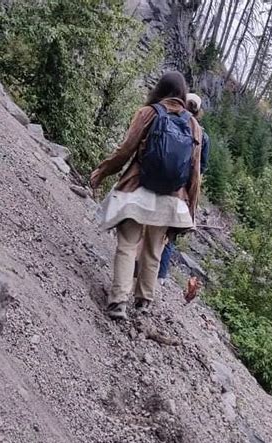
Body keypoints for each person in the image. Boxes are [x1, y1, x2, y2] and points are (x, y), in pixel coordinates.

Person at [90, 71, 202, 320]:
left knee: (128, 246)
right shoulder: (194, 125)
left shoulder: (149, 112)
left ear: (160, 88)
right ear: (183, 94)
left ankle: (118, 301)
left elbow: (125, 151)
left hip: (137, 192)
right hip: (171, 199)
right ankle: (143, 301)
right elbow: (195, 174)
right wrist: (190, 211)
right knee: (153, 251)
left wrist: (103, 171)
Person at [157, 92, 210, 285]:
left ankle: (140, 266)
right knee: (171, 231)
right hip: (183, 190)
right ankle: (161, 275)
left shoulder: (167, 119)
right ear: (198, 111)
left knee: (151, 223)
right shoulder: (202, 135)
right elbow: (202, 167)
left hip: (161, 181)